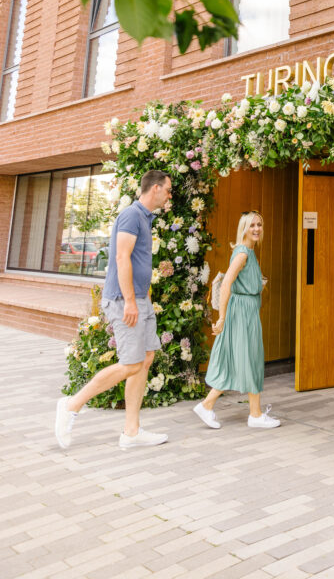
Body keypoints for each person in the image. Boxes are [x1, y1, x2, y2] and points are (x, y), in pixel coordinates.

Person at [55, 169, 172, 451]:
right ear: (155, 188)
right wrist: (130, 301)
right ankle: (71, 405)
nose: (170, 195)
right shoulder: (132, 215)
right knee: (131, 363)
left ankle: (131, 432)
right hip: (124, 300)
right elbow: (121, 257)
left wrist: (141, 298)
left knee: (145, 358)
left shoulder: (145, 218)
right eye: (168, 190)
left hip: (140, 299)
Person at [193, 211, 280, 430]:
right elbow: (226, 285)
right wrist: (221, 317)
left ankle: (215, 406)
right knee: (248, 358)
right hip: (240, 313)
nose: (257, 229)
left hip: (247, 311)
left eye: (259, 224)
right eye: (252, 225)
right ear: (244, 228)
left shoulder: (248, 252)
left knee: (245, 359)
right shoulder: (243, 253)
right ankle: (254, 414)